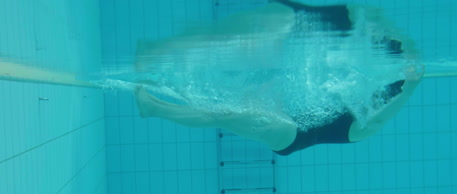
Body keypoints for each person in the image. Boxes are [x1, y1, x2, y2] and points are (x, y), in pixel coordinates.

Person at [134, 0, 424, 155]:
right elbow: (360, 14)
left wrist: (410, 85)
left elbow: (392, 105)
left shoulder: (367, 120)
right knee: (275, 21)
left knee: (220, 114)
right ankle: (164, 52)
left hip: (294, 131)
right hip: (287, 62)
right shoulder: (359, 28)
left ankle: (153, 107)